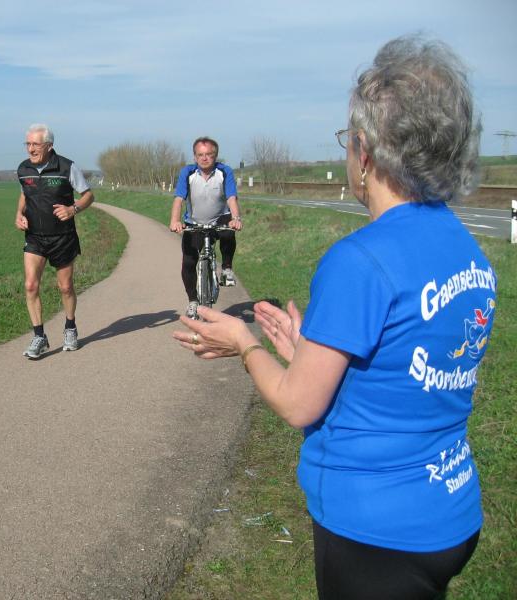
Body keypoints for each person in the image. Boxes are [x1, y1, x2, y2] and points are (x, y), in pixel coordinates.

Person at [174, 35, 496, 599]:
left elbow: (299, 405)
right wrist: (308, 352)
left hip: (375, 529)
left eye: (349, 140)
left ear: (365, 151)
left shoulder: (360, 261)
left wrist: (245, 343)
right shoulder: (464, 247)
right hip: (450, 508)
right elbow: (404, 370)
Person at [15, 123, 94, 359]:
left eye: (35, 144)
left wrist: (73, 209)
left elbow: (88, 195)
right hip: (35, 237)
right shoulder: (23, 169)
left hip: (62, 237)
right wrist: (18, 214)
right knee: (31, 285)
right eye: (27, 144)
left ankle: (70, 327)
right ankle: (39, 336)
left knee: (65, 287)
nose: (30, 149)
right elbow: (24, 194)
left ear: (49, 146)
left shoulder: (67, 167)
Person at [169, 137, 242, 319]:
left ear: (215, 156)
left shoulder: (224, 171)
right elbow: (179, 199)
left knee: (228, 231)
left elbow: (231, 197)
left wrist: (236, 218)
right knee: (188, 263)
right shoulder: (187, 172)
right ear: (194, 156)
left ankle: (226, 269)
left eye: (209, 154)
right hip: (194, 221)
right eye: (200, 154)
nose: (204, 158)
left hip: (219, 218)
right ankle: (193, 301)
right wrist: (175, 220)